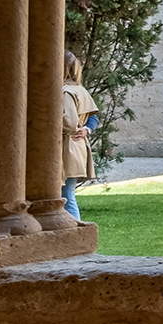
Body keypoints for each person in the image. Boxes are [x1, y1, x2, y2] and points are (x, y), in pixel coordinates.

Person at [62, 51, 99, 221]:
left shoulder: (67, 92)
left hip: (67, 147)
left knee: (66, 196)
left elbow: (68, 123)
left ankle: (74, 233)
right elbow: (93, 117)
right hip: (77, 146)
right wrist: (87, 129)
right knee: (68, 194)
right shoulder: (80, 90)